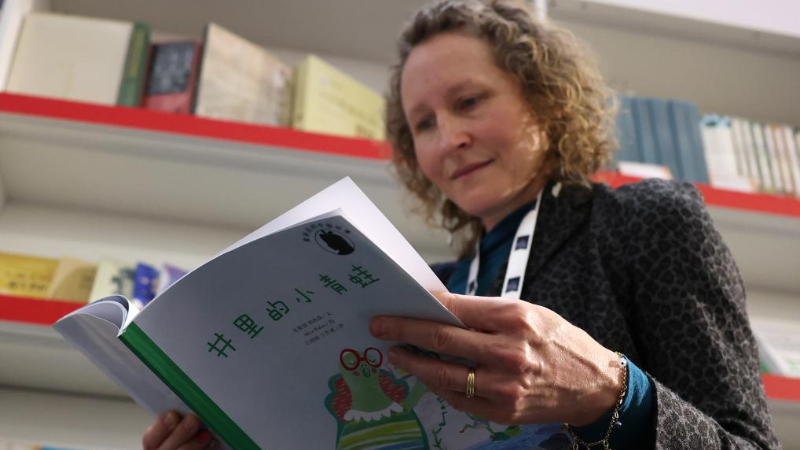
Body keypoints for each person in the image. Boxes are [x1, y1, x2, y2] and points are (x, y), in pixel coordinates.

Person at [142, 1, 780, 449]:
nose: (449, 139)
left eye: (469, 102)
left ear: (545, 99)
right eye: (424, 124)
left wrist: (610, 393)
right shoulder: (414, 287)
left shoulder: (648, 223)